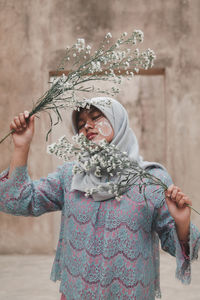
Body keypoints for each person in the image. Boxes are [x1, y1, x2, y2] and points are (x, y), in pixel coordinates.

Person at [0, 97, 199, 300]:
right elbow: (16, 200)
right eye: (80, 124)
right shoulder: (71, 176)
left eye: (96, 117)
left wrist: (182, 223)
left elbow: (186, 251)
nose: (87, 126)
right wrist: (21, 146)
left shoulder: (150, 180)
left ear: (118, 121)